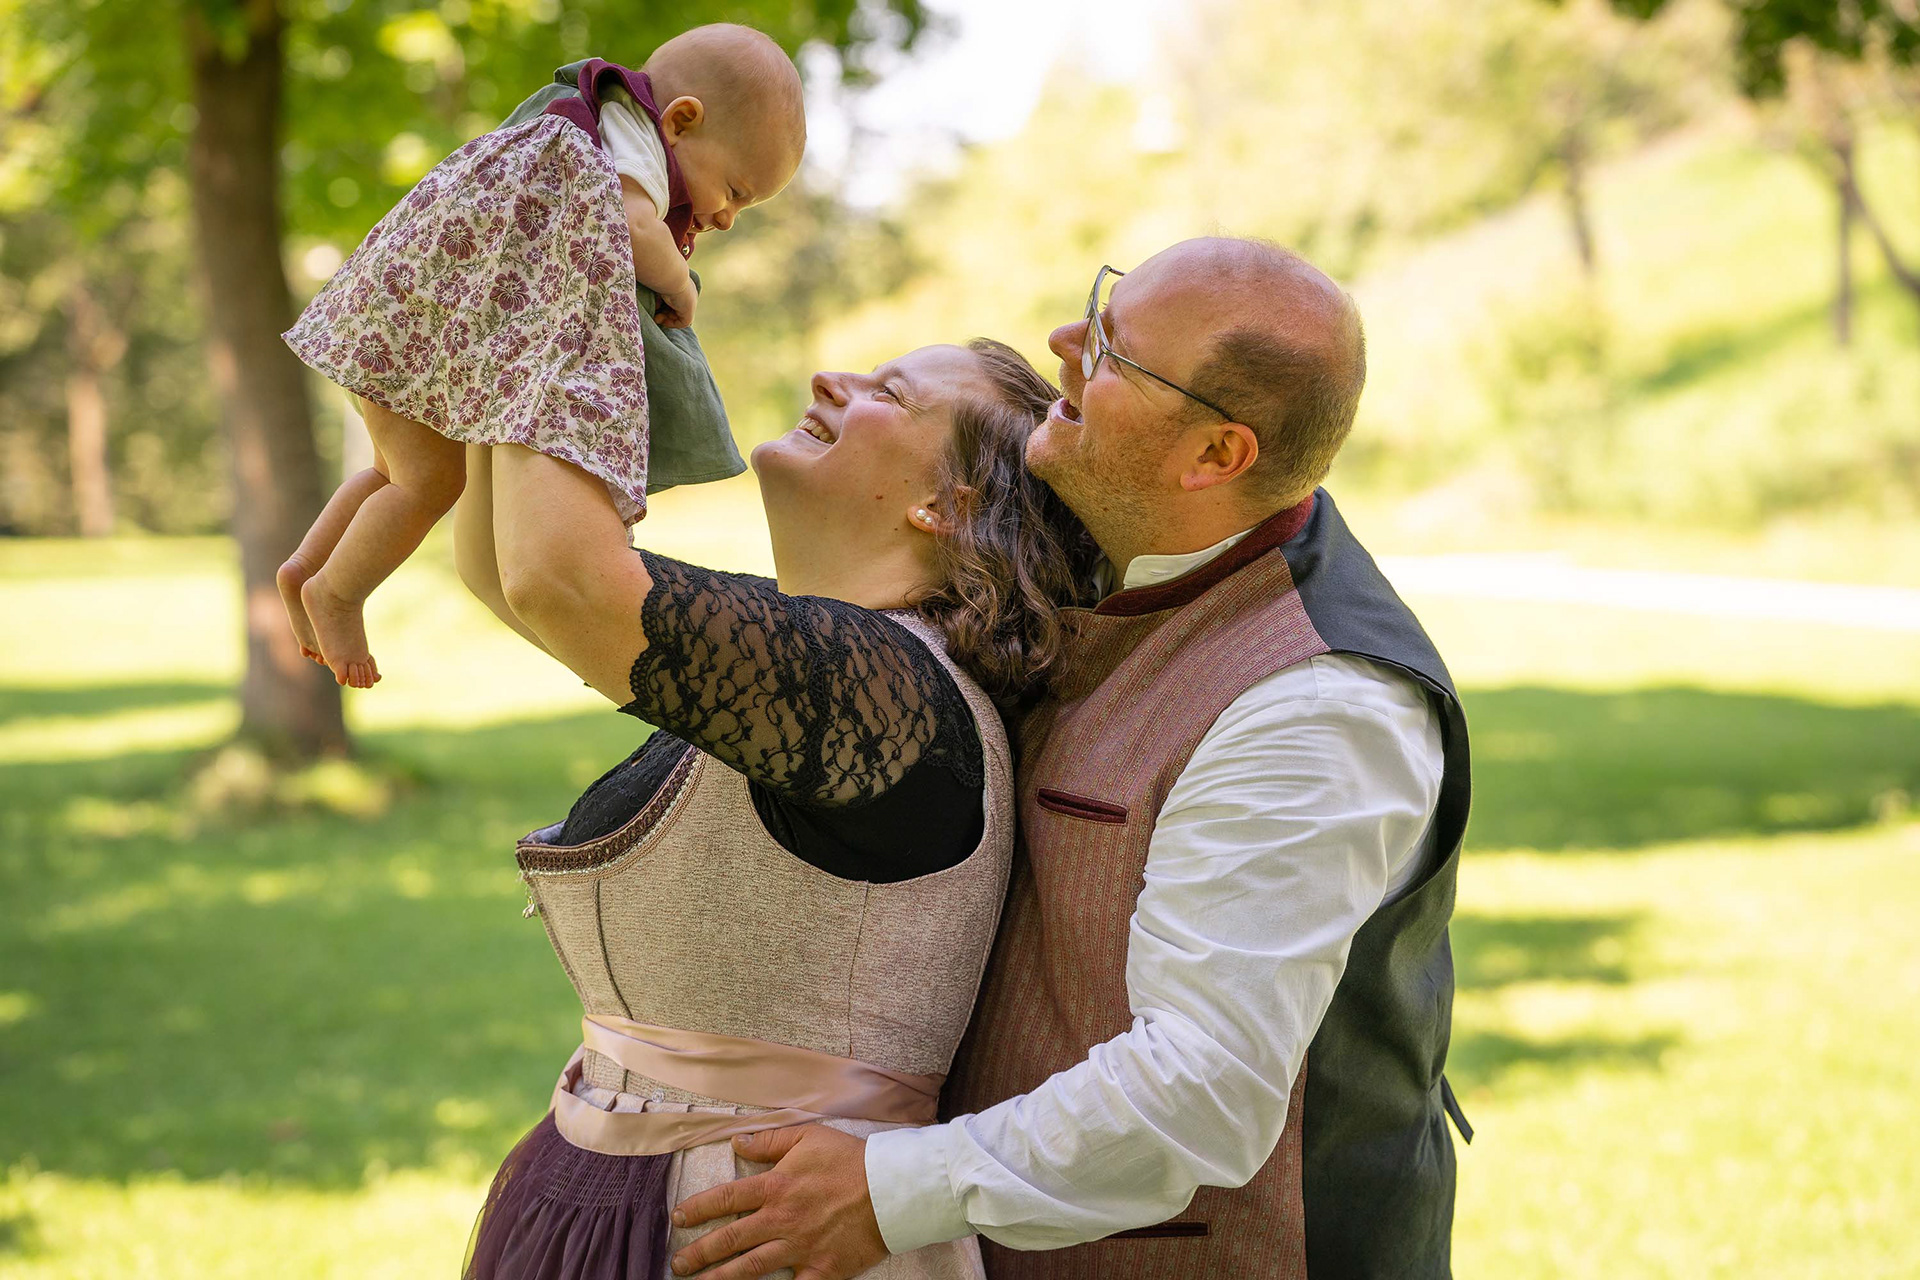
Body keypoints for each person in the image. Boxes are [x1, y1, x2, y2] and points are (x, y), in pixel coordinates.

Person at [667, 238, 1474, 1280]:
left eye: (1112, 351)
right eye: (1098, 309)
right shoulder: (1096, 559)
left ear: (1216, 458)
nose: (1061, 346)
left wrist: (888, 1189)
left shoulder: (1318, 707)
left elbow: (1201, 1087)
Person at [455, 339, 1102, 1280]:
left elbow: (560, 579)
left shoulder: (889, 697)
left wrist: (574, 276)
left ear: (947, 507)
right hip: (648, 1184)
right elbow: (503, 569)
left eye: (890, 393)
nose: (829, 381)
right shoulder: (832, 668)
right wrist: (527, 325)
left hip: (760, 1227)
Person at [277, 25, 805, 688]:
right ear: (682, 120)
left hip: (415, 324)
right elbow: (634, 225)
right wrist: (678, 284)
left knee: (394, 471)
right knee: (429, 484)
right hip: (429, 333)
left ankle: (306, 566)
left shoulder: (584, 117)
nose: (728, 217)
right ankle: (340, 593)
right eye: (735, 189)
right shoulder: (632, 140)